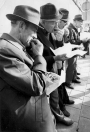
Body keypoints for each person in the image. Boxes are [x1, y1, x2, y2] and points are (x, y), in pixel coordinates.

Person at [0, 5, 57, 132]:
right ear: (21, 25)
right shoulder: (4, 50)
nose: (35, 35)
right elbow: (36, 85)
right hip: (28, 124)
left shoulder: (16, 46)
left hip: (39, 115)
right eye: (34, 30)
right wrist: (38, 56)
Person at [36, 3, 73, 126]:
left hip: (54, 68)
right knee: (50, 98)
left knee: (55, 96)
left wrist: (59, 40)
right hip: (44, 71)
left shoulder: (50, 29)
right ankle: (56, 118)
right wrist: (55, 57)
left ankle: (57, 116)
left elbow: (56, 47)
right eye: (53, 22)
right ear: (43, 21)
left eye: (57, 22)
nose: (56, 25)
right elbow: (36, 58)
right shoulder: (36, 34)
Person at [52, 8, 74, 117]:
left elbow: (63, 44)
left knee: (62, 82)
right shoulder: (52, 31)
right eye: (65, 22)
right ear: (59, 21)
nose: (66, 24)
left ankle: (65, 99)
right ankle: (62, 107)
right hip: (54, 62)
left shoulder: (63, 30)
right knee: (58, 85)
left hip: (61, 61)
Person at [65, 14, 84, 89]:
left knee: (74, 66)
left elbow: (76, 39)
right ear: (75, 21)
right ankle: (68, 82)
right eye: (80, 22)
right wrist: (81, 41)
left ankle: (74, 78)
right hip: (72, 51)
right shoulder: (70, 28)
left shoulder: (74, 28)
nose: (81, 24)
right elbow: (71, 42)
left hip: (75, 51)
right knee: (71, 67)